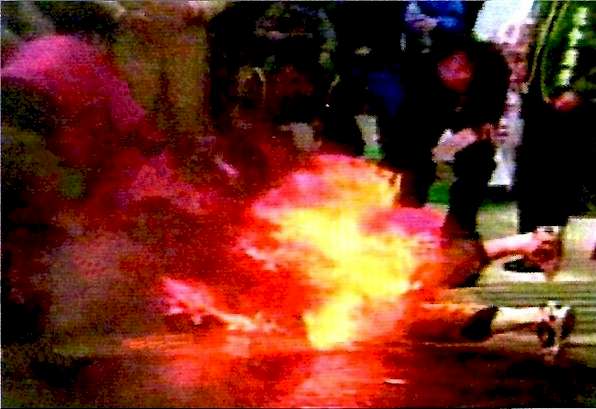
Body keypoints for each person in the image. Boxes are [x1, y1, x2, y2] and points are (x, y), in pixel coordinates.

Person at [383, 37, 511, 241]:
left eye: (465, 69)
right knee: (409, 161)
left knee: (479, 161)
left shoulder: (493, 67)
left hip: (475, 112)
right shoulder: (419, 74)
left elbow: (490, 114)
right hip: (427, 111)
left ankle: (461, 224)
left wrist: (484, 124)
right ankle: (404, 213)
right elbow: (403, 137)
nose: (460, 75)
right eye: (452, 68)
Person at [505, 1, 595, 272]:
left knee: (562, 178)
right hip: (540, 95)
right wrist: (523, 63)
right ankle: (534, 248)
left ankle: (545, 250)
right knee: (531, 176)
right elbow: (536, 33)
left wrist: (582, 89)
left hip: (581, 102)